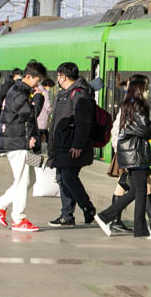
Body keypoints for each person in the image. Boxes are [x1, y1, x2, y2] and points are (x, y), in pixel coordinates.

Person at [103, 75, 151, 234]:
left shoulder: (129, 104)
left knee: (138, 187)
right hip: (130, 152)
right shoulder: (134, 105)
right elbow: (140, 128)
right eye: (147, 87)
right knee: (132, 187)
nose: (149, 90)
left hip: (128, 151)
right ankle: (112, 218)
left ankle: (144, 222)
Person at [0, 59, 47, 232]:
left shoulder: (21, 90)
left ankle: (0, 205)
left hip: (20, 141)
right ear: (28, 76)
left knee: (30, 179)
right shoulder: (18, 92)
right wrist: (38, 99)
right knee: (22, 181)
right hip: (16, 141)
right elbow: (30, 113)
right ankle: (18, 219)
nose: (38, 85)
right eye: (37, 81)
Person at [47, 62, 97, 227]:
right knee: (62, 178)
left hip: (72, 146)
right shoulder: (65, 93)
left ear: (63, 77)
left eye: (58, 76)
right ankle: (67, 215)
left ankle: (87, 207)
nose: (57, 79)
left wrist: (78, 145)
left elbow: (83, 122)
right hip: (62, 144)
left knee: (68, 177)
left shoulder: (79, 94)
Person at [34, 77, 53, 144]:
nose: (50, 89)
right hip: (42, 119)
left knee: (37, 137)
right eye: (50, 87)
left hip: (36, 118)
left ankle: (37, 151)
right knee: (47, 139)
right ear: (47, 85)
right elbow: (48, 107)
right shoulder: (44, 93)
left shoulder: (36, 90)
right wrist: (50, 111)